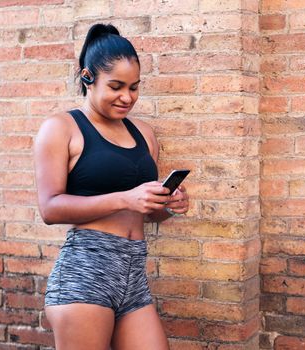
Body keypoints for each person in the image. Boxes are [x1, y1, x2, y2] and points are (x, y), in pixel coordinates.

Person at [33, 23, 189, 350]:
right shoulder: (61, 128)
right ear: (88, 77)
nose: (127, 97)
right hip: (84, 275)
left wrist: (167, 206)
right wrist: (126, 198)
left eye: (134, 87)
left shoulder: (143, 133)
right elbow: (50, 208)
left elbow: (144, 212)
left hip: (134, 277)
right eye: (116, 86)